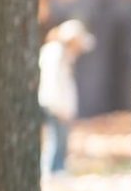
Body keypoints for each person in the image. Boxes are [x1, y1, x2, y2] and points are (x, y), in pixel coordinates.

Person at [38, 19, 93, 176]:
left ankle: (58, 169)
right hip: (55, 105)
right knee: (56, 139)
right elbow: (52, 83)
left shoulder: (64, 54)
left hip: (60, 105)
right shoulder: (56, 54)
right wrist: (60, 108)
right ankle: (52, 170)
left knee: (61, 139)